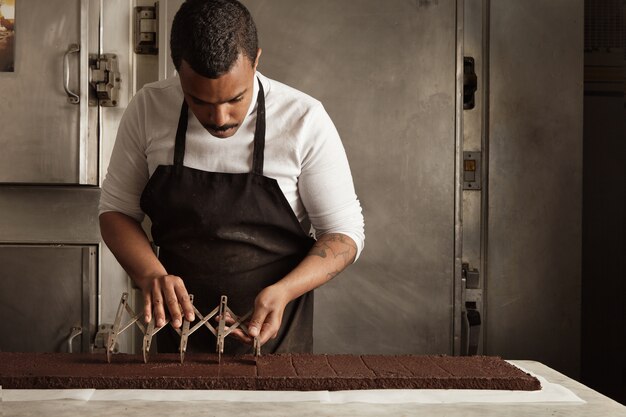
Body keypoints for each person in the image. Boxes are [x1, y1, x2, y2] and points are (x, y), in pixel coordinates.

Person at [99, 0, 364, 354]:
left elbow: (344, 235)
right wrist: (151, 275)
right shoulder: (149, 108)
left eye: (236, 98)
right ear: (178, 71)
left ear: (256, 60)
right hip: (174, 344)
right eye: (199, 101)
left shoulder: (304, 120)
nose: (220, 117)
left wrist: (284, 290)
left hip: (276, 346)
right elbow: (116, 212)